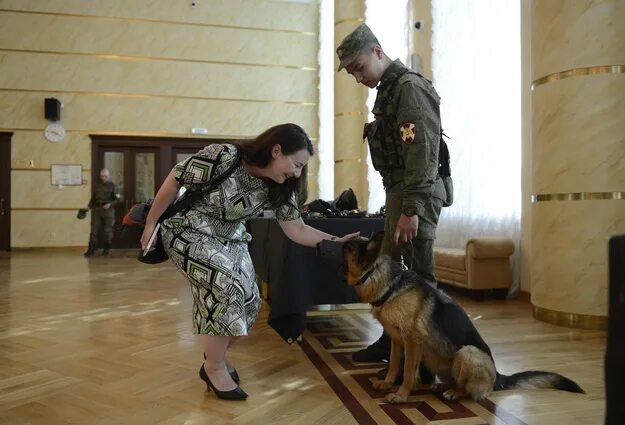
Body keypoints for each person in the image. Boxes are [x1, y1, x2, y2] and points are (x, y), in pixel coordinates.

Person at [140, 123, 358, 401]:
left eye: (303, 167)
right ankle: (214, 366)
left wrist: (334, 242)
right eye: (296, 163)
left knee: (251, 301)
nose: (297, 172)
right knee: (225, 287)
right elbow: (175, 179)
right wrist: (151, 223)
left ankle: (216, 355)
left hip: (230, 236)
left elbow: (297, 229)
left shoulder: (281, 187)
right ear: (276, 150)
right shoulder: (225, 156)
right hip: (188, 229)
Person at [336, 24, 448, 366]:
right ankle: (393, 341)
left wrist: (412, 208)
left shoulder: (409, 89)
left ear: (378, 52)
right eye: (352, 71)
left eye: (359, 67)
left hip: (418, 193)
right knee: (391, 272)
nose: (357, 77)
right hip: (401, 191)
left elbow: (423, 155)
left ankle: (428, 357)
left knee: (420, 277)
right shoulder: (389, 90)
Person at [84, 168, 121, 257]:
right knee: (94, 231)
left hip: (108, 211)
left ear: (109, 176)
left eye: (105, 176)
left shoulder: (113, 186)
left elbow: (118, 199)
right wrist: (88, 206)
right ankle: (91, 250)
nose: (104, 178)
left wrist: (110, 204)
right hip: (97, 210)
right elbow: (93, 198)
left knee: (107, 231)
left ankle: (106, 249)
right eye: (102, 176)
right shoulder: (98, 186)